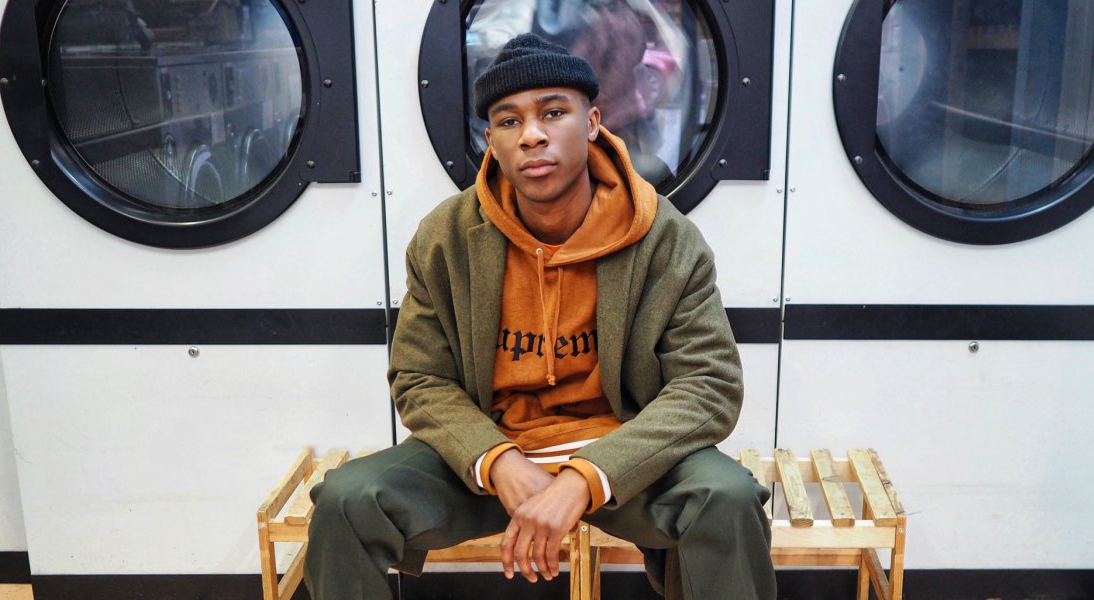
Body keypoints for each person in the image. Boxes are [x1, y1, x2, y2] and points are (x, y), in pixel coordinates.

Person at [304, 33, 776, 600]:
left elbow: (708, 385)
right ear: (491, 140)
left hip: (622, 453)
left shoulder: (663, 237)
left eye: (553, 113)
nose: (531, 134)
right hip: (489, 456)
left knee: (727, 498)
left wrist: (586, 477)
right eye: (509, 121)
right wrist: (496, 460)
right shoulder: (447, 237)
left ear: (593, 122)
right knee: (348, 501)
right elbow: (418, 377)